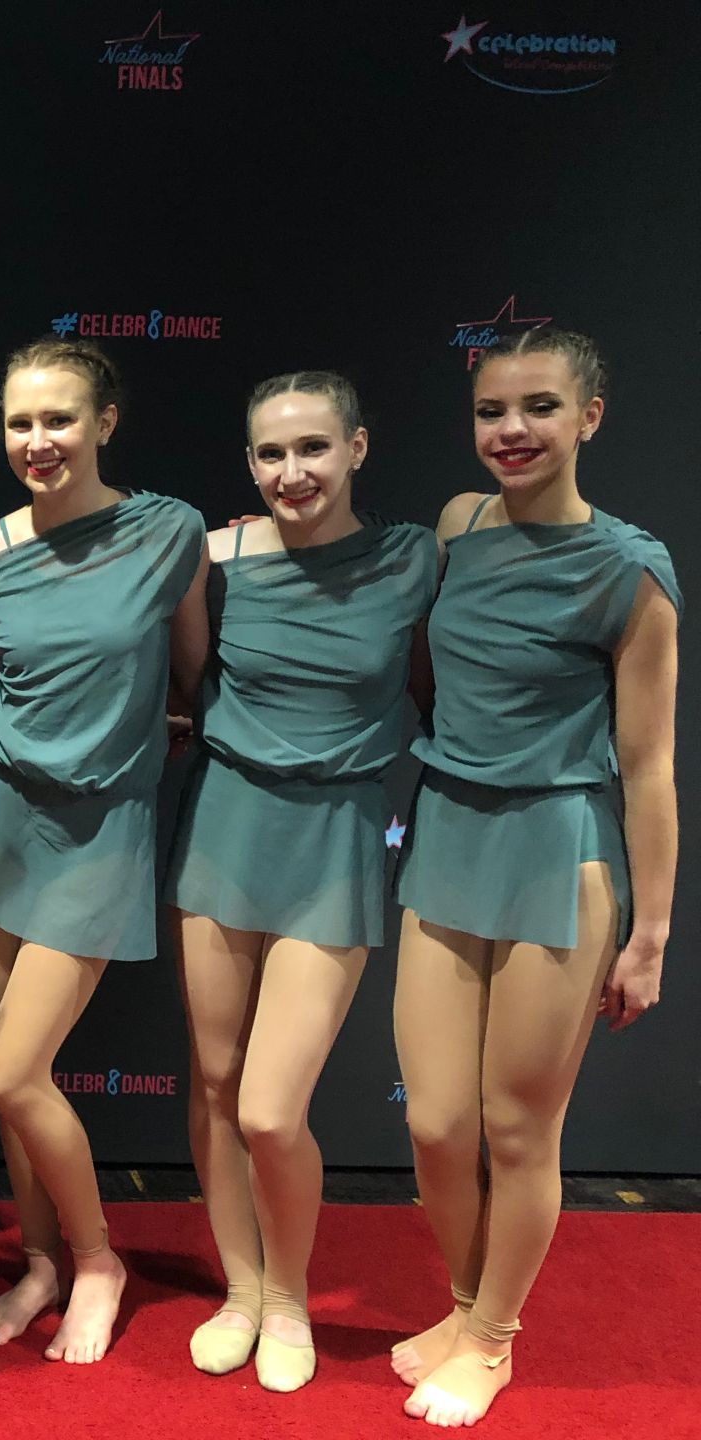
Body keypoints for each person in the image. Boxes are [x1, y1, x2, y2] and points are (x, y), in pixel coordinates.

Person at [390, 328, 678, 1427]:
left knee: (520, 1131)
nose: (512, 431)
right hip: (447, 837)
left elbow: (649, 768)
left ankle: (494, 1340)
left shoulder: (630, 567)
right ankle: (465, 1308)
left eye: (540, 409)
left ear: (589, 418)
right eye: (491, 411)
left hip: (560, 855)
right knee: (434, 1126)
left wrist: (650, 936)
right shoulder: (458, 527)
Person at [163, 372, 437, 1391]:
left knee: (274, 1108)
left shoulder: (414, 557)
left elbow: (432, 689)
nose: (292, 472)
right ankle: (242, 1290)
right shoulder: (216, 558)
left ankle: (289, 1297)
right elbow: (192, 684)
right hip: (226, 827)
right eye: (272, 454)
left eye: (314, 448)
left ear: (357, 448)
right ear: (248, 464)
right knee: (219, 1087)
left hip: (338, 840)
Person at [0, 337, 207, 1364]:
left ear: (105, 422)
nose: (38, 441)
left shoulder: (167, 531)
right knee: (22, 1073)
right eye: (19, 423)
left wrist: (167, 726)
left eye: (59, 420)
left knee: (11, 1073)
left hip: (103, 831)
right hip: (1, 815)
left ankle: (99, 1259)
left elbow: (192, 673)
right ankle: (42, 1261)